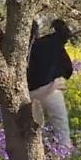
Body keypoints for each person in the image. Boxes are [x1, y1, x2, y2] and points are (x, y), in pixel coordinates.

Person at [26, 19, 74, 148]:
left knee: (31, 135)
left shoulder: (14, 49)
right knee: (61, 131)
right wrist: (57, 78)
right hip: (51, 90)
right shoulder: (51, 44)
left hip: (27, 94)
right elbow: (68, 69)